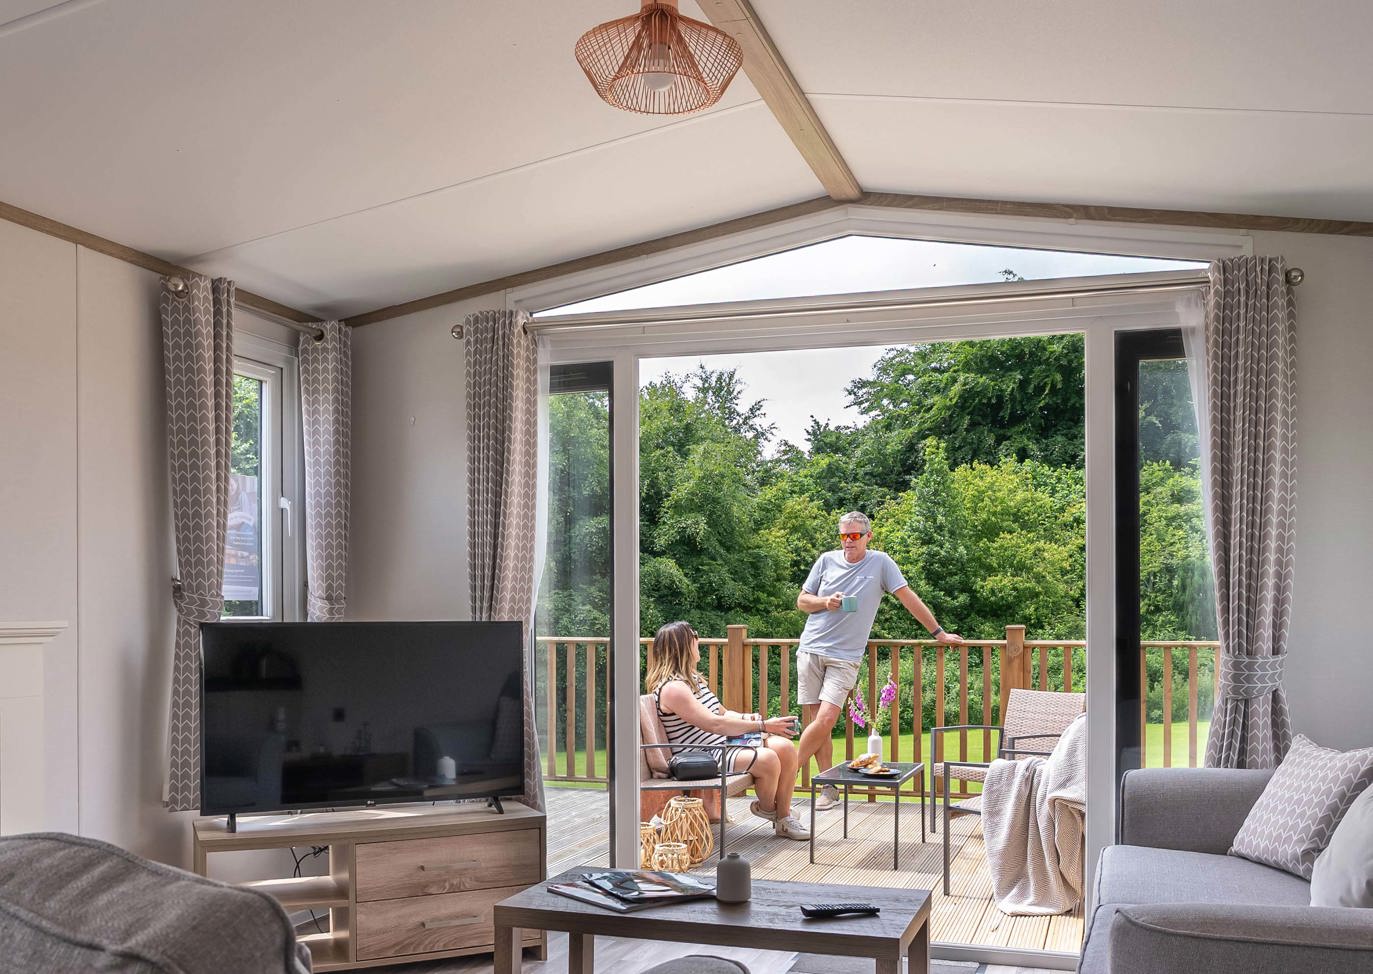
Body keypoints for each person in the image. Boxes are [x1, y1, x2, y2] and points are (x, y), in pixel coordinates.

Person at [795, 511, 963, 810]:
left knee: (825, 720)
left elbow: (908, 596)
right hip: (810, 649)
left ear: (868, 536)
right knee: (816, 726)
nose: (848, 541)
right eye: (844, 535)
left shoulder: (880, 562)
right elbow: (802, 601)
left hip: (845, 657)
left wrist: (938, 633)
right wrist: (825, 602)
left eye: (855, 535)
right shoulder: (825, 560)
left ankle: (784, 772)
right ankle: (829, 788)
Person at [647, 621, 811, 840]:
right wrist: (762, 726)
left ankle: (783, 819)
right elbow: (714, 723)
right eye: (694, 635)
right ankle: (773, 810)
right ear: (682, 645)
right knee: (768, 759)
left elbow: (722, 713)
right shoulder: (673, 689)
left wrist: (750, 718)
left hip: (721, 743)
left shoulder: (693, 680)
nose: (699, 640)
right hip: (704, 754)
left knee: (785, 748)